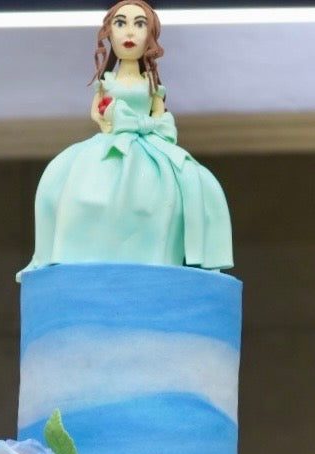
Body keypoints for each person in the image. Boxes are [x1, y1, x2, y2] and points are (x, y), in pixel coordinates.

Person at [25, 1, 232, 272]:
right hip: (114, 140)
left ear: (151, 35)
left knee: (192, 180)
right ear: (109, 33)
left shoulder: (151, 84)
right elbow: (96, 112)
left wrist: (151, 125)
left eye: (140, 24)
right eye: (121, 23)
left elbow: (159, 114)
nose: (130, 32)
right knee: (78, 185)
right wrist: (109, 120)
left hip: (150, 145)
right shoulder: (107, 82)